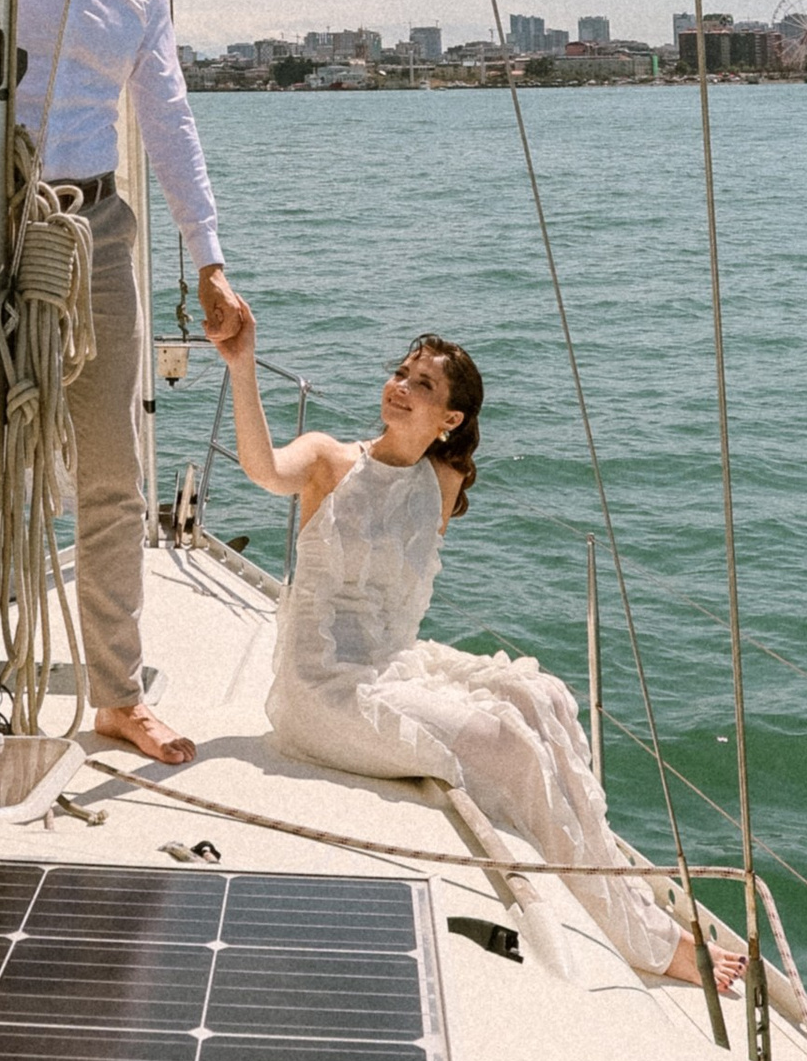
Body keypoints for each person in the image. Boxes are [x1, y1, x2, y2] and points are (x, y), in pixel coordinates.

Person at [213, 304, 744, 992]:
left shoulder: (443, 480)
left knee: (544, 698)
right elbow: (260, 466)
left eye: (423, 385)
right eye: (401, 373)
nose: (399, 386)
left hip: (391, 666)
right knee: (509, 743)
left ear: (451, 419)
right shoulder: (329, 460)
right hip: (323, 689)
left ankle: (623, 893)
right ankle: (647, 940)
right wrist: (242, 365)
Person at [14, 0, 245, 766]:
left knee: (115, 475)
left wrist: (209, 258)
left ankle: (115, 693)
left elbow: (171, 120)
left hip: (99, 225)